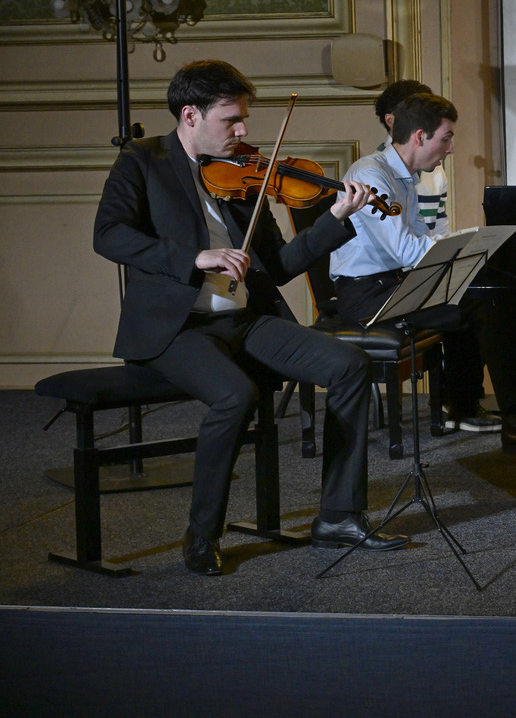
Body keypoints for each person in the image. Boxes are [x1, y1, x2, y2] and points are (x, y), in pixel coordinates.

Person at [93, 59, 408, 576]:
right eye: (231, 120)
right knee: (234, 395)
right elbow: (108, 235)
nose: (242, 132)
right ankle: (202, 534)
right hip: (178, 328)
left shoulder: (244, 173)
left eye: (244, 120)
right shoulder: (142, 160)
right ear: (190, 114)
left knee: (348, 364)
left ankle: (338, 517)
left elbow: (278, 268)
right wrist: (194, 258)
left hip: (244, 320)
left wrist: (333, 220)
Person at [328, 88, 516, 451]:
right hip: (368, 295)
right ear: (419, 137)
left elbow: (420, 238)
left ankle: (473, 404)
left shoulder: (405, 176)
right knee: (484, 298)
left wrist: (467, 247)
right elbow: (405, 251)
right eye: (446, 138)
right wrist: (462, 252)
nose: (450, 148)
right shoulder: (371, 176)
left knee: (483, 287)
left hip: (392, 282)